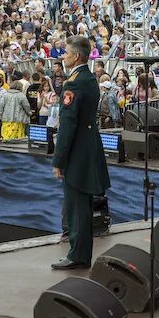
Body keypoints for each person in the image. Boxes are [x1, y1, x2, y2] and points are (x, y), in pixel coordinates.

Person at [50, 34, 111, 270]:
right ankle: (80, 253)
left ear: (76, 56)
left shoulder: (73, 83)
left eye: (65, 52)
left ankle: (78, 254)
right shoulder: (88, 78)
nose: (63, 56)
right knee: (81, 205)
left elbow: (68, 124)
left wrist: (59, 159)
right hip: (89, 146)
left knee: (76, 206)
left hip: (77, 151)